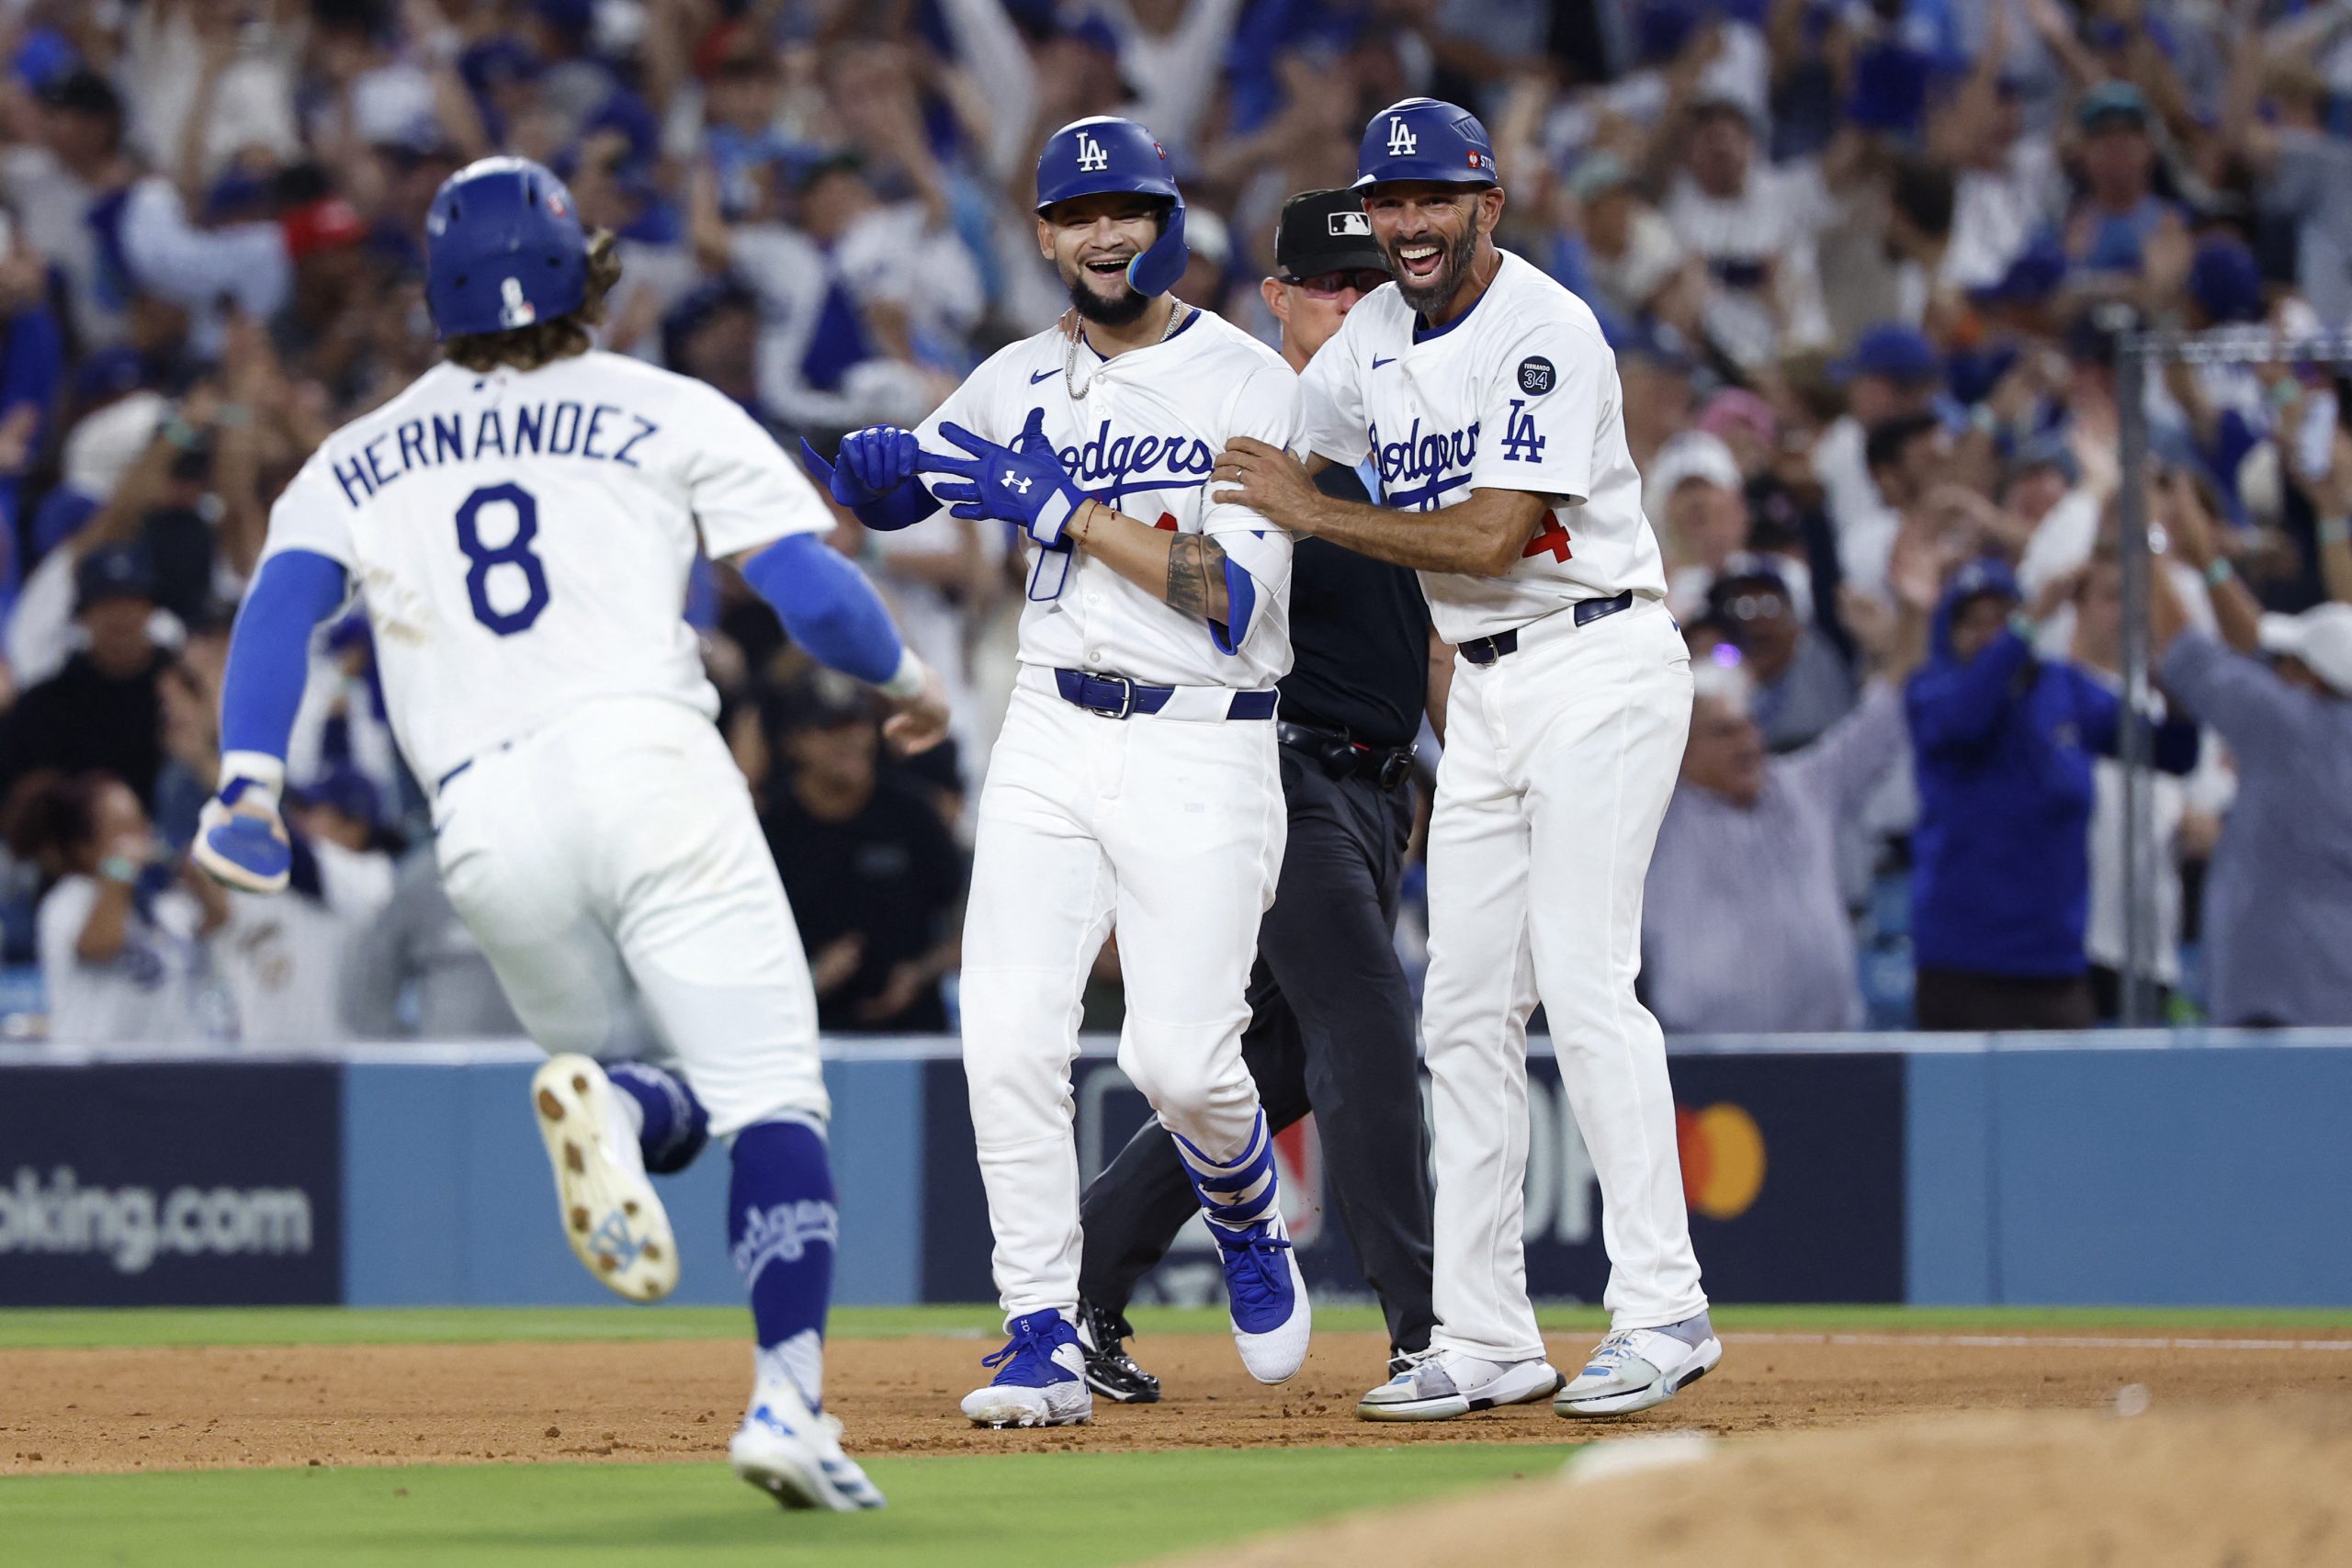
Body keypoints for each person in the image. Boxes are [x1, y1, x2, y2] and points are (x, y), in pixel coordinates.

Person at [192, 156, 951, 1511]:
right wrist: (906, 684)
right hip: (648, 764)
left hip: (481, 820)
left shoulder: (357, 452)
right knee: (775, 1093)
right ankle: (789, 1398)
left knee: (644, 1083)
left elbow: (275, 613)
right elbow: (815, 599)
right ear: (575, 266)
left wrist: (248, 778)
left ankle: (624, 1094)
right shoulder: (664, 404)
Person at [1213, 98, 1718, 1423]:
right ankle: (1487, 1335)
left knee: (1588, 981)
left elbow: (1495, 533)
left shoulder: (1546, 329)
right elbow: (1267, 447)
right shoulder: (1371, 333)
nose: (1411, 222)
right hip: (1485, 695)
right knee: (1462, 1012)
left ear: (1487, 204)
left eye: (1435, 198)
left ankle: (1663, 1306)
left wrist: (1312, 508)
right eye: (1390, 201)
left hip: (1597, 655)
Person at [812, 117, 1309, 1430]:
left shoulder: (1247, 383)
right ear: (1043, 235)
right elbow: (926, 477)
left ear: (1169, 221)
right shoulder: (1015, 376)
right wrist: (879, 483)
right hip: (1050, 723)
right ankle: (1040, 1328)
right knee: (1008, 1028)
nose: (1105, 234)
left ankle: (1248, 1203)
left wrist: (1070, 512)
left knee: (1183, 1061)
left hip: (1205, 729)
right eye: (1080, 215)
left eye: (1129, 210)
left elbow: (1236, 595)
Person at [1070, 187, 1438, 1404]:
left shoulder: (1402, 426)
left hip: (1371, 781)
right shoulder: (1246, 430)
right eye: (1330, 287)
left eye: (1371, 288)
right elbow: (1195, 595)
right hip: (1275, 771)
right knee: (1368, 1023)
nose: (1354, 306)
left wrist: (1428, 759)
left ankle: (1081, 1281)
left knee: (1273, 1060)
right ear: (1277, 297)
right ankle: (1425, 1330)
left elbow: (1417, 631)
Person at [1905, 556, 2199, 1031]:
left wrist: (2166, 665)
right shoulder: (1933, 692)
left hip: (2055, 965)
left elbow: (2171, 752)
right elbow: (1965, 721)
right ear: (1949, 632)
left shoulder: (2063, 689)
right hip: (1963, 963)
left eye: (2002, 617)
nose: (1991, 634)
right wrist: (2023, 629)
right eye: (1974, 623)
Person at [1645, 581, 1928, 1033]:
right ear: (1682, 747)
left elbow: (1887, 709)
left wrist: (1913, 615)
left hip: (1828, 1056)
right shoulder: (1653, 813)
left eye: (1750, 726)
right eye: (1725, 732)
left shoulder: (1805, 784)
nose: (1748, 742)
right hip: (1701, 1065)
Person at [2155, 500, 2352, 1026]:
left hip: (2281, 999)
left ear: (2309, 679)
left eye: (2287, 666)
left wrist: (2143, 544)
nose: (2274, 676)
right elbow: (2256, 646)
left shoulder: (2293, 727)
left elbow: (2185, 651)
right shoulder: (2309, 728)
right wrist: (2210, 565)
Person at [763, 671, 964, 1036]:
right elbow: (743, 941)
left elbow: (977, 921)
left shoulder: (913, 815)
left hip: (913, 1034)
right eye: (829, 728)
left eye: (858, 724)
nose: (850, 740)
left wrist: (919, 973)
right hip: (805, 1035)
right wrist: (808, 976)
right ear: (794, 741)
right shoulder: (772, 828)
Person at [6, 769, 225, 1045]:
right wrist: (121, 869)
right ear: (85, 846)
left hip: (174, 1072)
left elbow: (218, 920)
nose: (141, 837)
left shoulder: (162, 902)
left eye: (141, 823)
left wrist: (200, 880)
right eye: (124, 829)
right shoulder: (68, 901)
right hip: (98, 1077)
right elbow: (99, 946)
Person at [0, 545, 170, 807]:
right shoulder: (43, 708)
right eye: (106, 603)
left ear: (151, 609)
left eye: (132, 600)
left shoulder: (188, 692)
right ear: (82, 615)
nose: (121, 616)